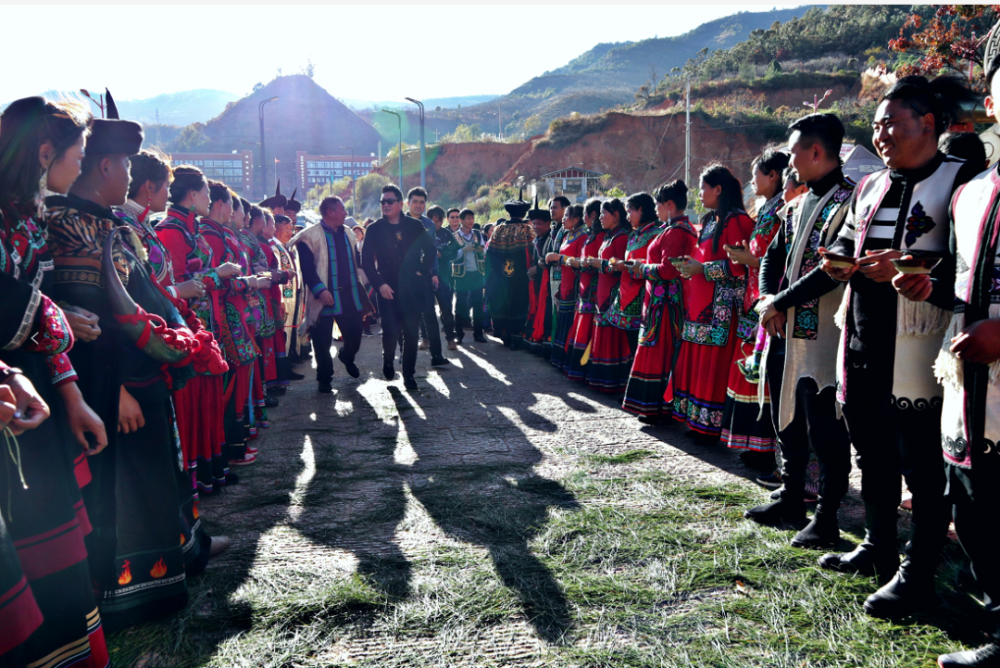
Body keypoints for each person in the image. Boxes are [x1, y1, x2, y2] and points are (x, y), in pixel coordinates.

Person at [45, 105, 219, 631]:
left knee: (157, 480)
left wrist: (179, 339)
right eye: (124, 165)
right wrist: (115, 388)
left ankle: (179, 560)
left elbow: (144, 293)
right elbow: (85, 320)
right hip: (110, 386)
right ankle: (135, 594)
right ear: (103, 168)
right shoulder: (68, 225)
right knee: (125, 492)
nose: (130, 174)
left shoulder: (110, 223)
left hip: (143, 377)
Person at [816, 76, 982, 619]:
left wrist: (912, 263)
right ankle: (878, 545)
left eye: (892, 123)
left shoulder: (965, 181)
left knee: (924, 466)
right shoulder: (868, 186)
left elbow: (973, 263)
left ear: (928, 125)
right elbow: (847, 241)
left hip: (923, 342)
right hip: (864, 333)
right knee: (872, 450)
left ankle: (919, 569)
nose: (881, 133)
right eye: (877, 124)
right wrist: (837, 260)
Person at [0, 95, 111, 668]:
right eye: (77, 156)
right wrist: (51, 315)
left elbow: (40, 312)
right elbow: (29, 309)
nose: (81, 167)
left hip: (32, 399)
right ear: (45, 153)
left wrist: (71, 397)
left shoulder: (29, 218)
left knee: (59, 553)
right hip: (10, 414)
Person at [743, 114, 855, 551]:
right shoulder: (796, 205)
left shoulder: (850, 202)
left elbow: (834, 271)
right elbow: (772, 256)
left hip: (824, 333)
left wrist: (778, 302)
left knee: (826, 427)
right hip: (784, 330)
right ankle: (791, 498)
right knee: (786, 415)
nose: (789, 159)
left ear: (815, 151)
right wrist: (767, 299)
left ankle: (827, 515)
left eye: (793, 151)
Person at [924, 50, 1000, 668]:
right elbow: (963, 275)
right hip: (972, 384)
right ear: (992, 104)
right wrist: (929, 287)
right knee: (975, 503)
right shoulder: (971, 192)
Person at [669, 164, 754, 442]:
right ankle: (696, 422)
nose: (699, 193)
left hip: (721, 310)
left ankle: (709, 427)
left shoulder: (737, 221)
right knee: (696, 364)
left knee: (712, 367)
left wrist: (702, 270)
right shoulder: (709, 221)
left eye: (703, 187)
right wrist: (692, 267)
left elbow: (739, 268)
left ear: (718, 189)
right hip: (700, 304)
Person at [721, 148, 789, 468]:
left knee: (763, 374)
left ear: (773, 175)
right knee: (751, 371)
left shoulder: (783, 208)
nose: (752, 179)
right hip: (754, 298)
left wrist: (747, 259)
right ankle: (753, 444)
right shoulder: (765, 209)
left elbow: (781, 260)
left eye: (757, 173)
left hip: (770, 299)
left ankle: (764, 448)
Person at [623, 181, 697, 421]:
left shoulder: (676, 232)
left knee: (657, 350)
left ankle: (655, 406)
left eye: (658, 204)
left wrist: (641, 268)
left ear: (669, 204)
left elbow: (667, 270)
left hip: (664, 302)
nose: (655, 209)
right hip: (663, 300)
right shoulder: (677, 228)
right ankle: (657, 405)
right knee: (659, 349)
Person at [292, 196, 371, 393]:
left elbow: (358, 261)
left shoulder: (349, 234)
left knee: (355, 334)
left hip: (348, 295)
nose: (346, 213)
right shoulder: (308, 237)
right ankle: (324, 379)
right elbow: (307, 270)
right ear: (330, 212)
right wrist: (321, 290)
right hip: (322, 298)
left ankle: (347, 356)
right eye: (342, 209)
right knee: (321, 342)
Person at [361, 184, 437, 391]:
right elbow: (366, 261)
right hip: (387, 289)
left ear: (400, 203)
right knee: (390, 332)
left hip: (413, 287)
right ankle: (388, 361)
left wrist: (422, 270)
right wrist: (380, 285)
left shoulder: (414, 226)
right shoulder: (374, 229)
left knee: (411, 333)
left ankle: (409, 375)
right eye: (382, 202)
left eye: (389, 201)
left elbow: (430, 250)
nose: (385, 205)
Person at [485, 191, 534, 349]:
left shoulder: (498, 229)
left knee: (503, 303)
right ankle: (517, 337)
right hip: (520, 275)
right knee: (518, 303)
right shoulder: (527, 229)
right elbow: (533, 252)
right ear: (524, 213)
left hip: (500, 275)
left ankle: (504, 335)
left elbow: (490, 253)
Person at [406, 187, 450, 364]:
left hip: (424, 276)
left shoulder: (429, 224)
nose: (418, 205)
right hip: (405, 277)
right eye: (414, 201)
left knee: (430, 316)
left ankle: (437, 355)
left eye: (421, 202)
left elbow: (431, 252)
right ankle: (406, 359)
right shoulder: (399, 222)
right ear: (408, 203)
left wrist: (434, 274)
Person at [565, 198, 606, 381]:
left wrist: (579, 263)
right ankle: (578, 368)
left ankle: (584, 369)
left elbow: (597, 263)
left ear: (593, 215)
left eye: (585, 215)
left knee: (588, 329)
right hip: (584, 287)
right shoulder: (592, 235)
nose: (583, 218)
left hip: (592, 289)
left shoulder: (600, 236)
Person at [546, 204, 588, 372]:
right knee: (562, 321)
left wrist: (560, 258)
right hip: (564, 283)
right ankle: (559, 360)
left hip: (575, 287)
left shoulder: (583, 236)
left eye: (566, 216)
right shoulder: (567, 235)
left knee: (569, 323)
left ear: (576, 219)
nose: (563, 219)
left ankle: (568, 360)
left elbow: (582, 262)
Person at [272, 214, 306, 381]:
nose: (290, 232)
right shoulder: (274, 248)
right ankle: (283, 368)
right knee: (284, 332)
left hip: (292, 294)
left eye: (291, 228)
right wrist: (282, 300)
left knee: (291, 330)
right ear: (275, 228)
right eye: (286, 228)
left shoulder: (286, 247)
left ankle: (289, 360)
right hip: (284, 297)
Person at [452, 208, 488, 344]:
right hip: (461, 275)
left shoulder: (477, 234)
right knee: (460, 304)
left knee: (478, 304)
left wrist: (481, 251)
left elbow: (484, 251)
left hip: (477, 273)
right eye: (468, 218)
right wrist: (463, 250)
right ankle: (459, 334)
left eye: (472, 218)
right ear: (461, 221)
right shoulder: (455, 236)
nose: (471, 221)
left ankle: (478, 333)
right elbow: (451, 256)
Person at [427, 204, 460, 350]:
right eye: (433, 221)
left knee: (446, 308)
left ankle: (450, 339)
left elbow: (455, 251)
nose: (436, 224)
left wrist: (442, 255)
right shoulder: (422, 233)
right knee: (426, 310)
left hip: (444, 276)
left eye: (439, 221)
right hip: (425, 277)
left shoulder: (447, 234)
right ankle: (425, 339)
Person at [524, 198, 553, 355]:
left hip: (547, 285)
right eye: (534, 224)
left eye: (539, 224)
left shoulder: (551, 239)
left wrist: (539, 269)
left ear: (548, 224)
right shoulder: (536, 239)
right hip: (536, 283)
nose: (535, 227)